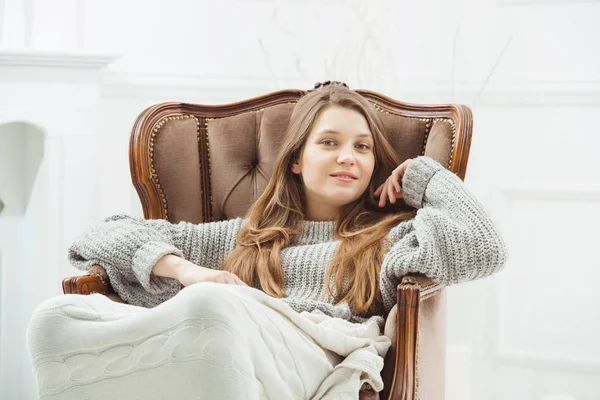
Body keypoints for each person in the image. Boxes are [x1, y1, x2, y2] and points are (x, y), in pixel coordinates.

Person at [26, 82, 508, 400]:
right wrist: (188, 271)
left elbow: (485, 247)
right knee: (56, 317)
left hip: (317, 352)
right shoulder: (247, 238)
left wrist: (424, 176)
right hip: (226, 333)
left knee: (212, 307)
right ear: (296, 159)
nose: (348, 158)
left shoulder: (390, 241)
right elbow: (100, 234)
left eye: (362, 147)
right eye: (329, 143)